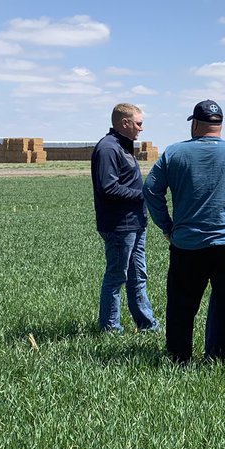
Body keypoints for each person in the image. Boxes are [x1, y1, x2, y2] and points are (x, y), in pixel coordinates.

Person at [143, 100, 225, 379]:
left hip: (187, 245)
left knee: (182, 308)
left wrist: (167, 226)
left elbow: (151, 190)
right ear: (219, 125)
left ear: (195, 124)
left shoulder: (174, 153)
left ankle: (178, 363)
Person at [91, 102, 160, 334]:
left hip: (135, 222)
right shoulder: (108, 149)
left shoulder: (123, 146)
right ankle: (110, 329)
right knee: (116, 277)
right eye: (139, 123)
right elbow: (108, 187)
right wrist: (143, 195)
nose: (141, 129)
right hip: (120, 225)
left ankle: (147, 325)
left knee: (138, 276)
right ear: (125, 123)